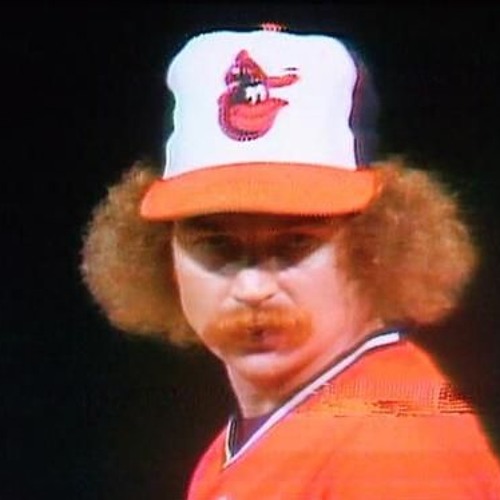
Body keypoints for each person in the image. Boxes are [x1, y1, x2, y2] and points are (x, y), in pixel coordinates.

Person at [81, 23, 500, 498]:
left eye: (296, 243)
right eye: (217, 246)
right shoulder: (265, 435)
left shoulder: (394, 448)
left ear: (377, 246)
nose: (253, 288)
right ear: (163, 255)